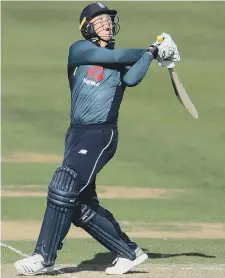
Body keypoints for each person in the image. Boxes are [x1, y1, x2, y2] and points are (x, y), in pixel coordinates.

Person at [14, 2, 179, 276]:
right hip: (76, 134)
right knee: (78, 205)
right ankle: (129, 252)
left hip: (100, 134)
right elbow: (119, 59)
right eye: (98, 20)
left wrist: (150, 57)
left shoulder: (121, 61)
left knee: (63, 186)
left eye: (108, 19)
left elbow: (133, 78)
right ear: (86, 28)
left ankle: (43, 257)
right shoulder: (79, 50)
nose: (105, 23)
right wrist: (151, 50)